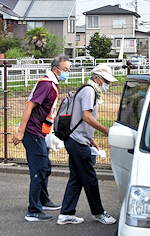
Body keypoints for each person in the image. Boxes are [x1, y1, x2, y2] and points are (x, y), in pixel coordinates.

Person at [12, 55, 71, 222]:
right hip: (32, 132)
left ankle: (43, 201)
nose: (67, 73)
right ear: (55, 69)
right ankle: (33, 211)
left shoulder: (51, 83)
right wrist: (21, 132)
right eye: (65, 70)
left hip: (40, 132)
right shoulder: (46, 84)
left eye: (68, 70)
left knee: (45, 167)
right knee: (39, 170)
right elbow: (29, 107)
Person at [57, 64, 117, 225]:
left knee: (76, 177)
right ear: (96, 77)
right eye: (105, 80)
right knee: (90, 178)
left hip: (76, 139)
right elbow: (86, 117)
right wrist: (107, 131)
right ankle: (98, 212)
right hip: (77, 142)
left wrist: (91, 139)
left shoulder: (87, 90)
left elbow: (79, 118)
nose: (106, 84)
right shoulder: (90, 91)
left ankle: (66, 214)